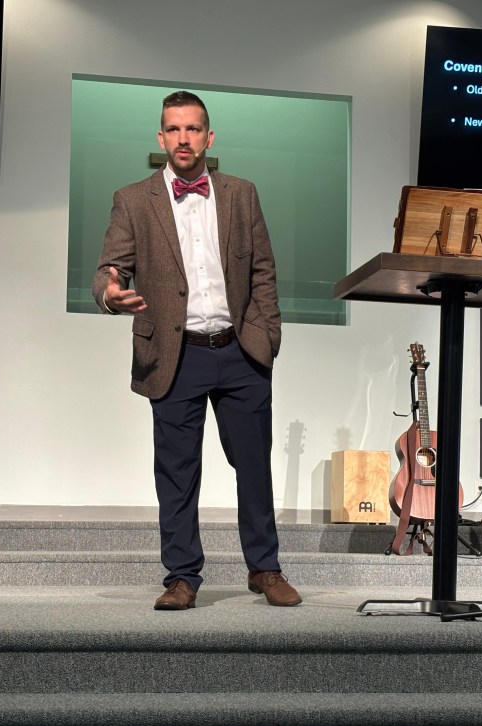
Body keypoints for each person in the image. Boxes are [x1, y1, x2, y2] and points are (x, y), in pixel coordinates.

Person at [92, 90, 300, 610]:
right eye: (173, 129)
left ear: (209, 137)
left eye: (192, 129)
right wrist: (110, 293)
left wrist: (267, 333)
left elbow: (263, 269)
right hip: (174, 353)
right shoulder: (133, 199)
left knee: (253, 466)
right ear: (161, 137)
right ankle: (182, 576)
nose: (183, 138)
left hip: (240, 350)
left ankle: (265, 568)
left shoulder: (241, 194)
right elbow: (110, 269)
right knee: (177, 472)